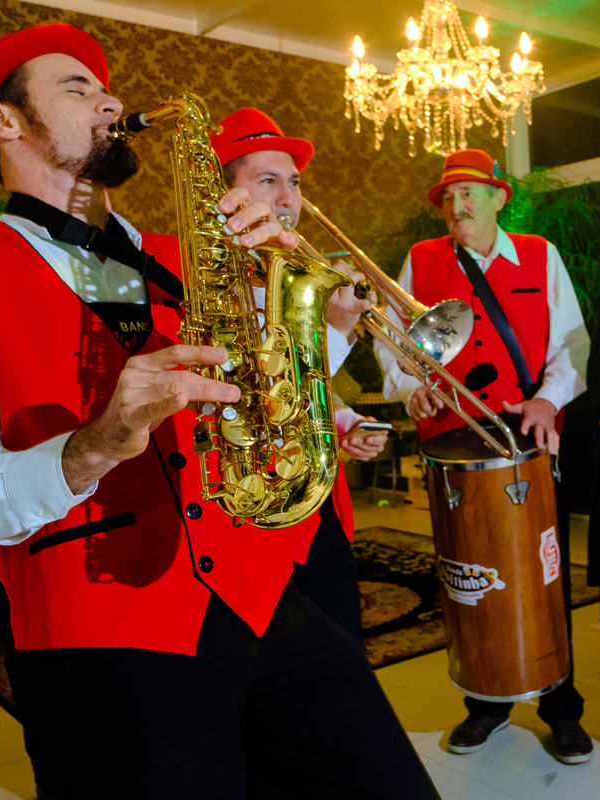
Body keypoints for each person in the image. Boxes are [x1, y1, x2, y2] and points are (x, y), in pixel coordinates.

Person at [0, 23, 439, 800]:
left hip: (267, 597)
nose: (110, 99)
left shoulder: (185, 256)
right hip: (103, 642)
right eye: (76, 87)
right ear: (3, 121)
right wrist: (92, 446)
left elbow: (273, 396)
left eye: (105, 86)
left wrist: (292, 285)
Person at [375, 148, 593, 764]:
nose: (457, 206)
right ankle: (486, 704)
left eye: (469, 193)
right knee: (469, 573)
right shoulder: (420, 260)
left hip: (529, 433)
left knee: (545, 572)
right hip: (452, 435)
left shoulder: (540, 256)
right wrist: (407, 386)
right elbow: (392, 340)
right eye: (447, 197)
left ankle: (562, 709)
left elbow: (572, 342)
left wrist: (549, 400)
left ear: (499, 198)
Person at [211, 106, 388, 641]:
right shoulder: (211, 280)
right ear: (224, 193)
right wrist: (334, 331)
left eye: (293, 182)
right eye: (268, 180)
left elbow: (308, 391)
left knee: (340, 649)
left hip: (319, 502)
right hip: (255, 512)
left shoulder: (294, 269)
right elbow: (255, 397)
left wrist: (343, 420)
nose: (289, 197)